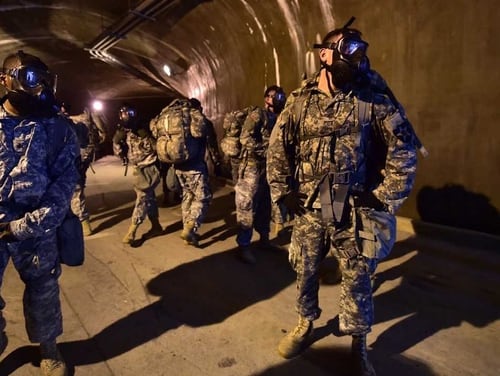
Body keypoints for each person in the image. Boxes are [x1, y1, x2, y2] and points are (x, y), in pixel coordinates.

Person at [266, 19, 418, 376]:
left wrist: (384, 198)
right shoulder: (300, 103)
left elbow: (404, 150)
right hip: (308, 205)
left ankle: (359, 343)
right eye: (349, 51)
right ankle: (305, 323)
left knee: (358, 277)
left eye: (362, 53)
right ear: (325, 55)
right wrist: (282, 191)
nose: (359, 60)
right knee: (304, 269)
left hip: (353, 208)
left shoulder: (372, 101)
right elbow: (277, 149)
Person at [0, 50, 80, 375]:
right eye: (28, 79)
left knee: (43, 292)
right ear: (5, 80)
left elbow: (63, 188)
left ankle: (49, 350)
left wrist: (25, 226)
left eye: (40, 80)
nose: (37, 88)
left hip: (36, 229)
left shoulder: (58, 129)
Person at [235, 85, 286, 264]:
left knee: (265, 204)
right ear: (266, 98)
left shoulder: (280, 118)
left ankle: (264, 239)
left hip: (268, 169)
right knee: (247, 206)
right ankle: (244, 245)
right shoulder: (257, 115)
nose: (278, 99)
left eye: (280, 96)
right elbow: (245, 139)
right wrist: (266, 151)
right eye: (274, 96)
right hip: (251, 167)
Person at [171, 98, 222, 247]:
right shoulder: (202, 122)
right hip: (196, 168)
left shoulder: (179, 122)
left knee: (187, 196)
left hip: (179, 167)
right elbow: (212, 145)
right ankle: (190, 228)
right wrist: (217, 162)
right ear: (199, 108)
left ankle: (188, 231)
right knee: (203, 198)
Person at [112, 104, 163, 244]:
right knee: (149, 198)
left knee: (142, 198)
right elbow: (118, 153)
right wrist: (117, 141)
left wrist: (145, 135)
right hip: (138, 168)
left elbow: (154, 148)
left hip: (149, 167)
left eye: (128, 113)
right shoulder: (124, 131)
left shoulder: (143, 128)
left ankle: (132, 230)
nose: (125, 116)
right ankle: (156, 226)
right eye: (123, 114)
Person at [66, 105, 106, 236]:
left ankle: (82, 221)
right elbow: (102, 130)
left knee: (75, 187)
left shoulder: (63, 114)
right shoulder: (87, 110)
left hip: (74, 153)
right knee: (78, 183)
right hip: (84, 151)